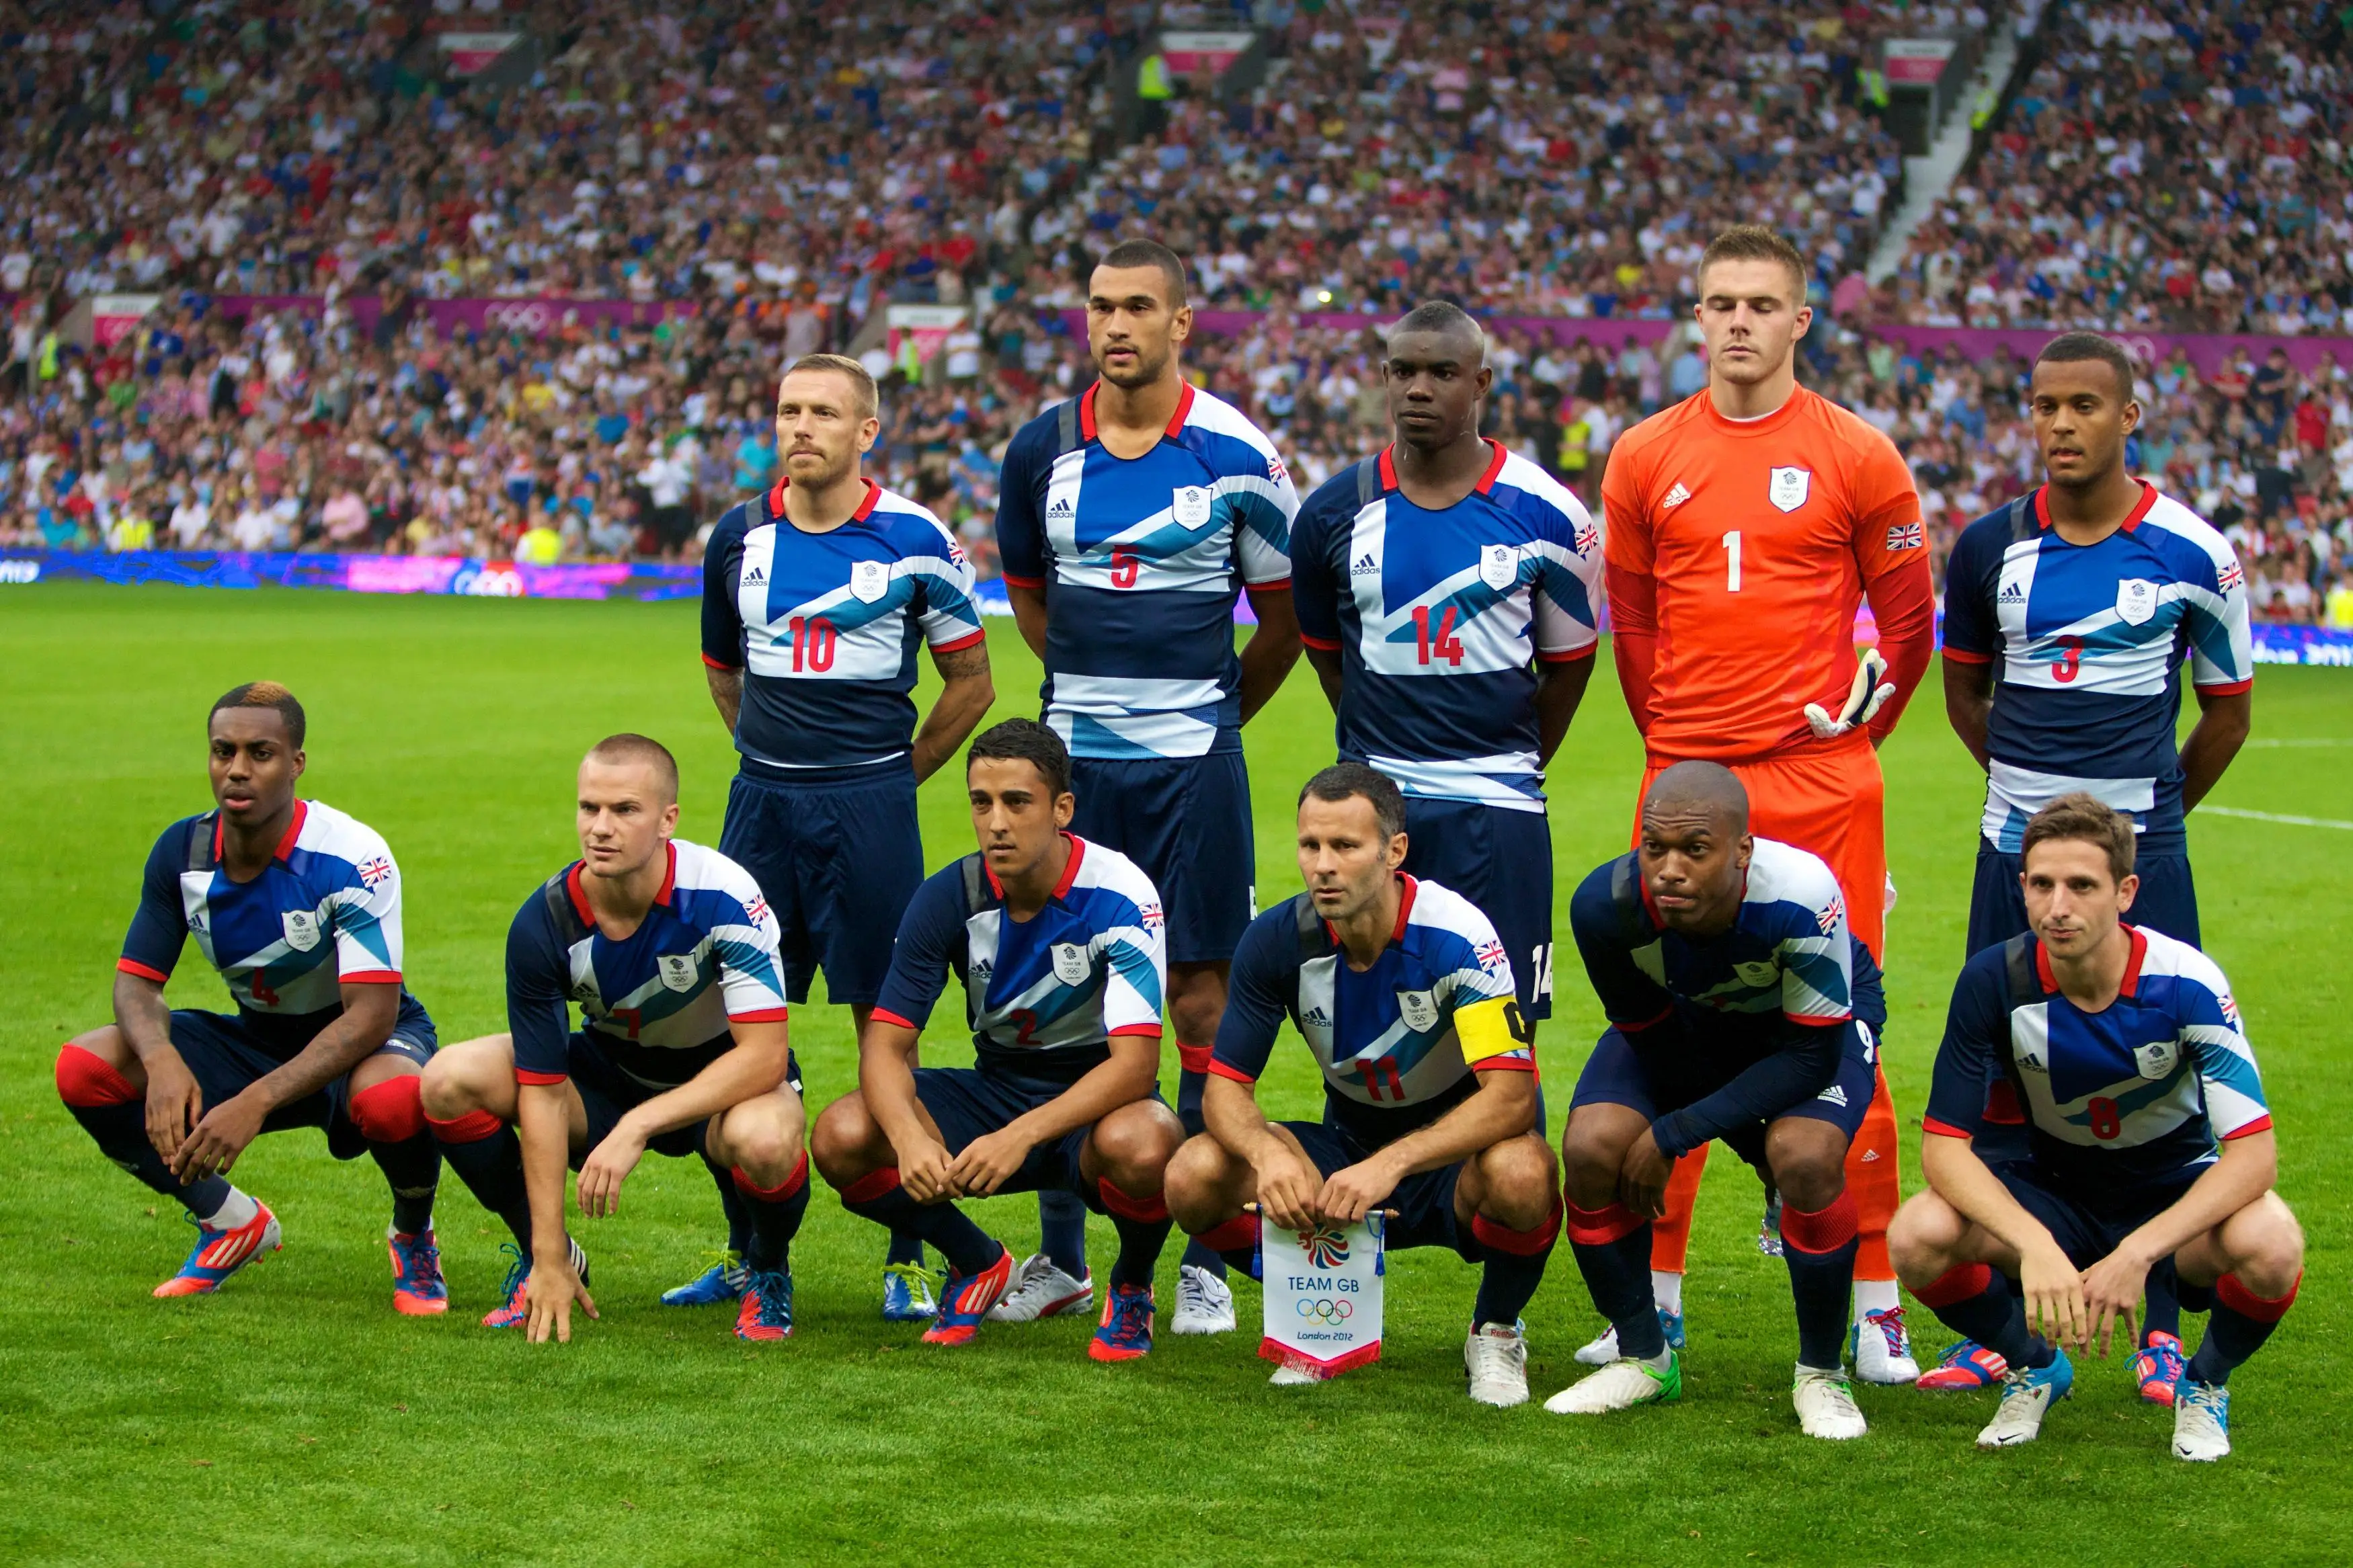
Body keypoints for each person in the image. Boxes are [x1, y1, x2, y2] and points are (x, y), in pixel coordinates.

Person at [1591, 224, 1936, 1383]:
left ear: (1800, 321)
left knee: (1852, 1037)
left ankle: (1878, 1311)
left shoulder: (1859, 453)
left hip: (1822, 783)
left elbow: (1906, 626)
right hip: (1689, 778)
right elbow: (1632, 627)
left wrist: (1858, 729)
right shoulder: (1643, 454)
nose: (1737, 321)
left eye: (1760, 303)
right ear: (1697, 319)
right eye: (1718, 303)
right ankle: (1661, 1301)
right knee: (1676, 1037)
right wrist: (1679, 739)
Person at [1931, 331, 2256, 1400]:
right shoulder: (1986, 548)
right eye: (2042, 406)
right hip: (2008, 857)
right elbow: (1965, 693)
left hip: (2142, 857)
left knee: (2155, 1079)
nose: (2060, 425)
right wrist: (2041, 830)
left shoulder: (2194, 552)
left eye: (2082, 405)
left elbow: (2227, 712)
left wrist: (2144, 828)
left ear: (2130, 417)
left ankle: (2158, 1316)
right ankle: (2010, 1323)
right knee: (2004, 1080)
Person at [994, 239, 1302, 1336]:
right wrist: (1086, 704)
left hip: (1194, 768)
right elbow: (1032, 600)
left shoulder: (1237, 452)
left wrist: (1209, 716)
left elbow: (1285, 622)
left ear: (1182, 323)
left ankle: (1210, 1252)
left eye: (1138, 307)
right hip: (1076, 765)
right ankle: (1065, 1256)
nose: (1115, 325)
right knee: (1060, 1003)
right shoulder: (1040, 450)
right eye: (1099, 307)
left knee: (1200, 1002)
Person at [697, 353, 996, 1323]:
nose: (802, 426)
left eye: (825, 411)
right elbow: (722, 669)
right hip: (763, 809)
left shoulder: (917, 538)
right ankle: (753, 1256)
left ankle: (908, 1253)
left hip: (870, 811)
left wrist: (893, 778)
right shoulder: (737, 538)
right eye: (788, 409)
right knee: (741, 1028)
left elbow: (972, 684)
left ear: (868, 432)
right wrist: (767, 758)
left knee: (886, 1028)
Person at [1890, 796, 2301, 1462]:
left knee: (2272, 1240)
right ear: (2020, 887)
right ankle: (2033, 1364)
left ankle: (2204, 1381)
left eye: (2081, 885)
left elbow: (2252, 1156)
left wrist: (2138, 1253)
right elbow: (1942, 1146)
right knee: (1916, 1234)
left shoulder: (2186, 983)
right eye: (2042, 883)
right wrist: (2031, 1243)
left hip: (2171, 1198)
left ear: (2124, 891)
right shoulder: (1991, 979)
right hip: (2054, 1191)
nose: (2059, 905)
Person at [1164, 764, 1560, 1407]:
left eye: (1345, 847)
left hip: (1451, 1158)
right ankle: (1319, 1318)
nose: (1323, 865)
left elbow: (1512, 1096)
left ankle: (1495, 1329)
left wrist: (1393, 1163)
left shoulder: (1460, 936)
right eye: (1310, 845)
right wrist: (1267, 1156)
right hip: (1349, 1143)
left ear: (1394, 851)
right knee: (1194, 1171)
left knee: (1524, 1172)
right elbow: (1224, 1089)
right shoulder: (1275, 940)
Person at [54, 683, 445, 1311]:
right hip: (256, 1038)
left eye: (260, 753)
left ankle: (413, 1235)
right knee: (87, 1068)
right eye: (223, 751)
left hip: (361, 1041)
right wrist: (160, 1061)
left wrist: (254, 1102)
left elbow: (371, 1016)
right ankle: (232, 1221)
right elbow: (136, 981)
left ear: (296, 763)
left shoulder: (351, 856)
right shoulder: (182, 852)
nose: (237, 769)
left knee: (394, 1098)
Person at [809, 719, 1184, 1360]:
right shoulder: (948, 896)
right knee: (842, 1134)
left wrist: (1019, 1136)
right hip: (996, 1086)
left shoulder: (1120, 893)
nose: (996, 822)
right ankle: (977, 1261)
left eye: (1018, 802)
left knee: (1146, 1145)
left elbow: (1134, 1065)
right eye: (981, 802)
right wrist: (909, 1138)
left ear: (1062, 809)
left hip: (1097, 1101)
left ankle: (1131, 1287)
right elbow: (885, 1045)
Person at [1290, 298, 1603, 1061]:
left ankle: (1505, 1182)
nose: (1418, 388)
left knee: (1496, 1043)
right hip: (1374, 809)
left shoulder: (1550, 518)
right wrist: (1375, 752)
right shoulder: (1332, 512)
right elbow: (1326, 652)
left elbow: (1566, 669)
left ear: (1482, 383)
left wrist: (1506, 761)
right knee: (1375, 1032)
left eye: (1441, 372)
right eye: (1402, 371)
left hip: (1496, 812)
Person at [419, 735, 810, 1344]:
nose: (601, 827)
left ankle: (764, 1267)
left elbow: (764, 1055)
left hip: (722, 1078)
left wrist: (639, 1125)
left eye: (625, 810)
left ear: (667, 820)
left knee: (764, 1140)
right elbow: (543, 1091)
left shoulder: (724, 895)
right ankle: (546, 1263)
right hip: (609, 1072)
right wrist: (547, 1250)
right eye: (589, 808)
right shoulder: (544, 922)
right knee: (448, 1080)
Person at [1545, 763, 1884, 1440]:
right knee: (1590, 1148)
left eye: (1693, 850)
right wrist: (1710, 1136)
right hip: (1686, 1021)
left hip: (1801, 1030)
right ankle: (1644, 1356)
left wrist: (1675, 1134)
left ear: (1741, 851)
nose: (1668, 869)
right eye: (1654, 847)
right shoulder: (1603, 906)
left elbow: (1809, 1057)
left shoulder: (1800, 894)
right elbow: (1653, 1038)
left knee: (1805, 1156)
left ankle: (1821, 1373)